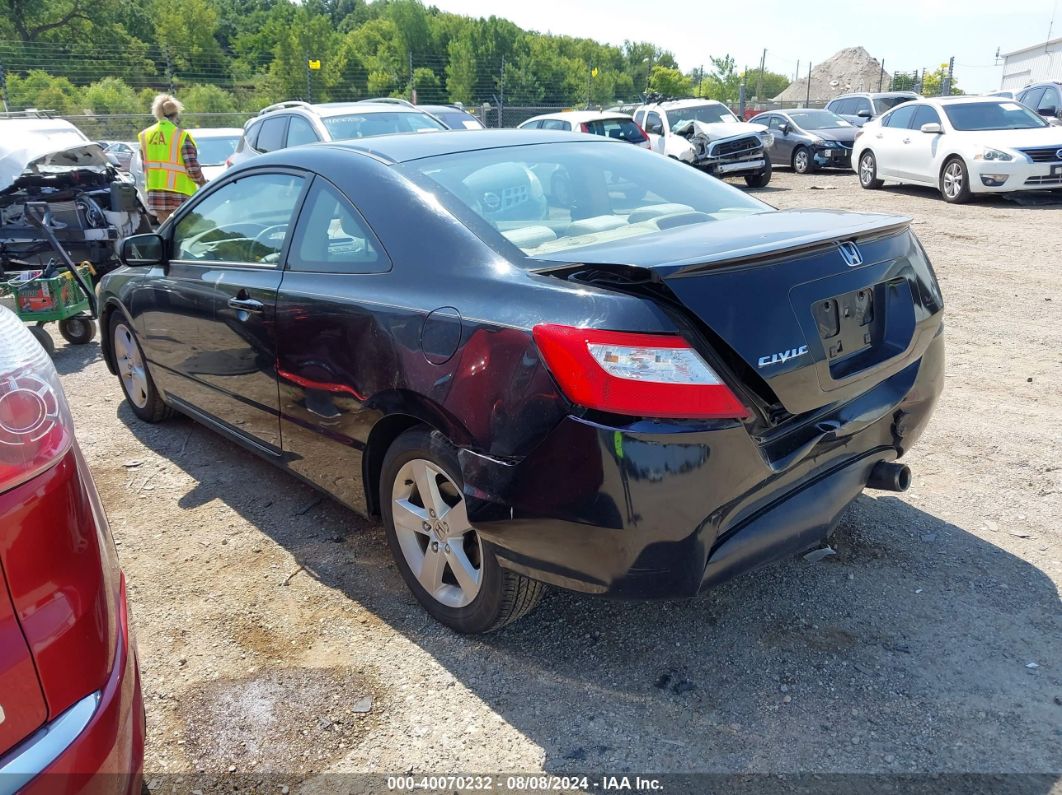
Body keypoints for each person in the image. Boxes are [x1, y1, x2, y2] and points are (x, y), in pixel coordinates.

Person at [138, 94, 205, 223]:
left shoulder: (145, 135)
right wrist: (202, 183)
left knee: (166, 230)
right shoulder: (180, 136)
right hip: (179, 193)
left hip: (155, 192)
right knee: (182, 231)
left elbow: (144, 164)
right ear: (176, 115)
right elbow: (192, 167)